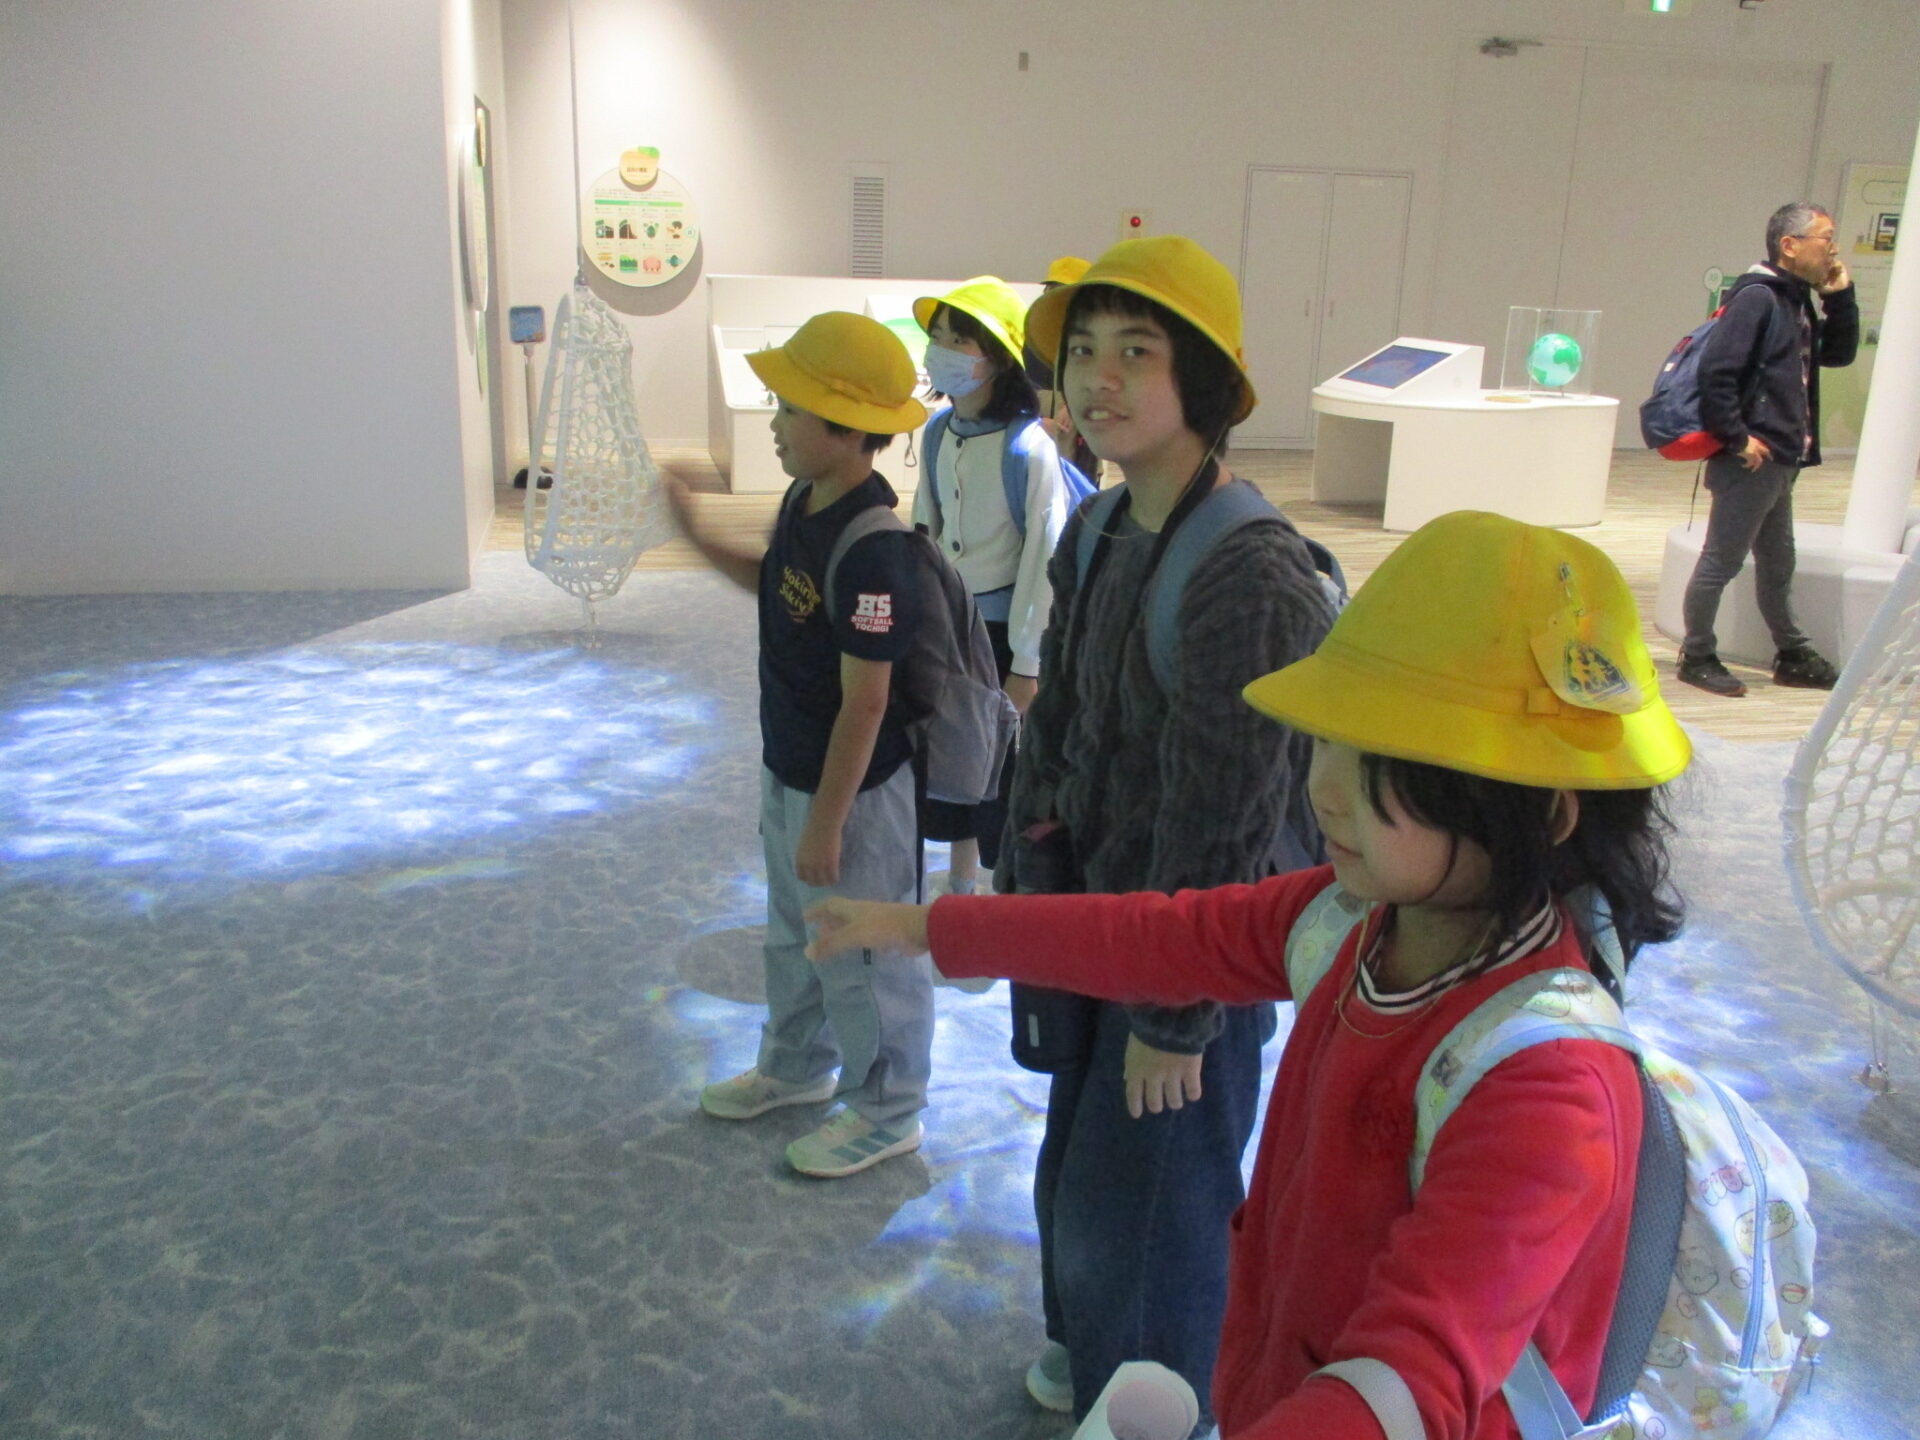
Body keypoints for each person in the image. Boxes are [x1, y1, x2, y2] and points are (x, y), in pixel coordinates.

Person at [806, 509, 1694, 1440]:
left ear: (1541, 815)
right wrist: (932, 925)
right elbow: (1161, 937)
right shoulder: (1353, 920)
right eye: (1329, 740)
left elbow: (1407, 1384)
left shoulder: (1548, 1090)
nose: (1323, 790)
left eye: (1382, 764)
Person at [986, 236, 1337, 1427]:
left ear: (1205, 381)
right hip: (1104, 917)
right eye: (1083, 350)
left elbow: (1223, 810)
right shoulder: (1099, 526)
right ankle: (1095, 1342)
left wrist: (1177, 1013)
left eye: (1137, 352)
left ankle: (1156, 1395)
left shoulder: (1248, 570)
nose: (1100, 378)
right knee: (1082, 1161)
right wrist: (1030, 891)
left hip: (1195, 953)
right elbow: (1062, 721)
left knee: (1153, 1200)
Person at [665, 311, 934, 1179]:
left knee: (862, 949)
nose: (774, 423)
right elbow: (780, 586)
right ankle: (795, 1067)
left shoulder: (875, 550)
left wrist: (826, 821)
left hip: (853, 795)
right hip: (792, 770)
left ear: (848, 429)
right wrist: (699, 534)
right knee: (794, 935)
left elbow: (868, 701)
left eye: (789, 408)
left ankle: (889, 1109)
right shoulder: (805, 501)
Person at [912, 276, 1074, 897]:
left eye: (961, 340)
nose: (943, 351)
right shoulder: (936, 431)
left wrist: (1028, 663)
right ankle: (959, 886)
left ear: (998, 359)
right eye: (939, 337)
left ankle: (998, 893)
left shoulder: (1029, 448)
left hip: (1003, 633)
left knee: (1000, 773)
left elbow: (1045, 559)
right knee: (951, 756)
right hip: (946, 625)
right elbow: (924, 529)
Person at [1678, 200, 1859, 698]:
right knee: (1721, 561)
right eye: (1826, 239)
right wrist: (1738, 439)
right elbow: (1717, 373)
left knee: (1778, 563)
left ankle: (1793, 653)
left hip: (1780, 458)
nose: (1834, 249)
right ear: (1789, 245)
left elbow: (1837, 355)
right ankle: (1697, 655)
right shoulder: (1758, 298)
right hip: (1752, 459)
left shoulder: (1794, 300)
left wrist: (1840, 297)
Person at [1023, 255, 1097, 477]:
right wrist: (1036, 422)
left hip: (1077, 432)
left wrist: (1072, 407)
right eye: (1050, 290)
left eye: (1062, 291)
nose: (1053, 298)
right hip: (1037, 428)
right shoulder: (1034, 334)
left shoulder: (1095, 340)